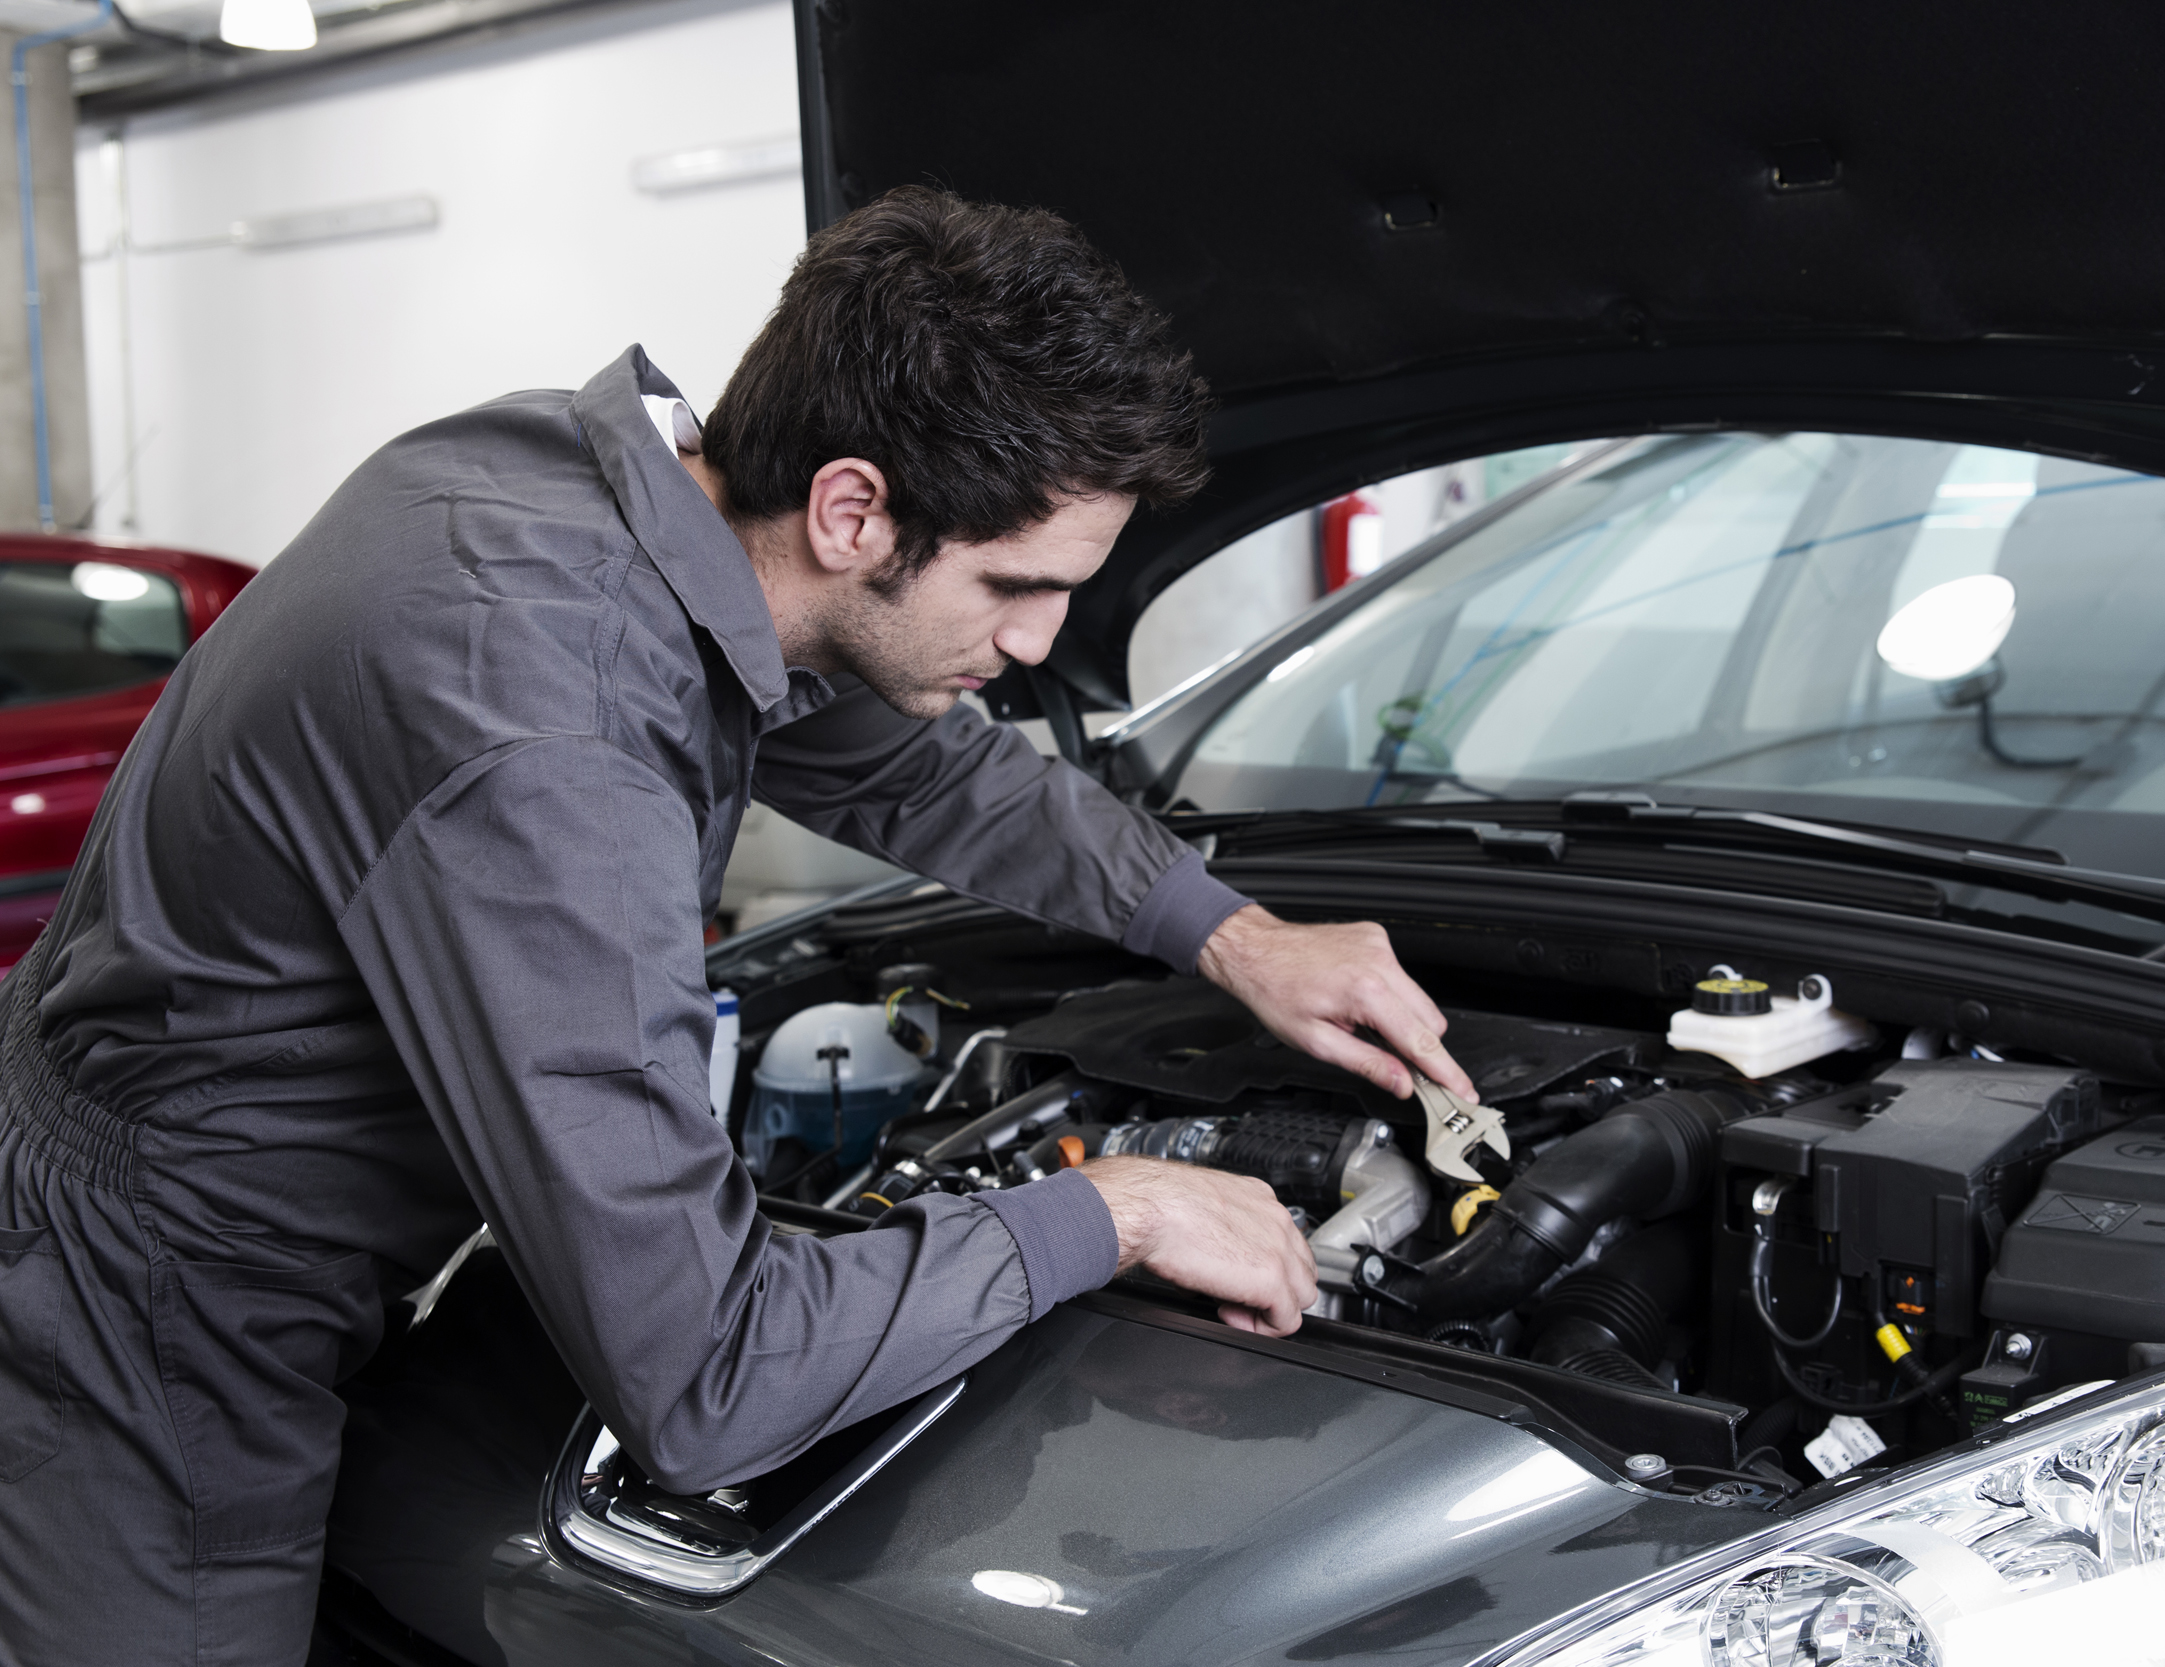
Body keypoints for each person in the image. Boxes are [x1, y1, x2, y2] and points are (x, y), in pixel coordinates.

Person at [0, 187, 1473, 1666]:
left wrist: (1230, 935)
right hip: (154, 1295)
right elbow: (710, 1377)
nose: (1035, 647)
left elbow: (914, 763)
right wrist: (1119, 1206)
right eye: (1016, 588)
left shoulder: (600, 493)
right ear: (852, 509)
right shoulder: (550, 732)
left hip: (254, 1215)